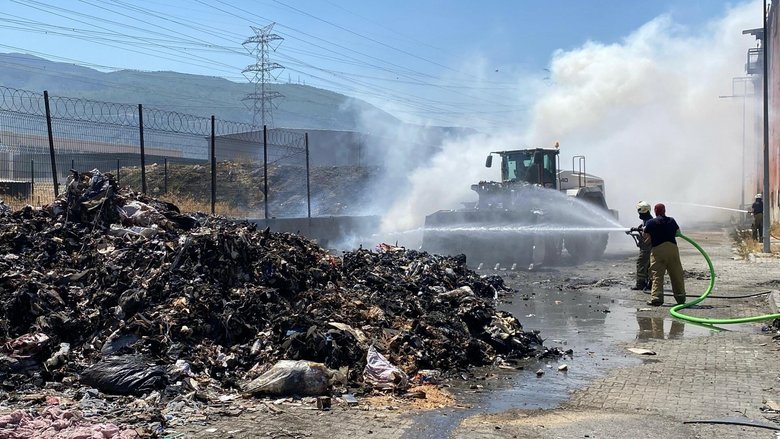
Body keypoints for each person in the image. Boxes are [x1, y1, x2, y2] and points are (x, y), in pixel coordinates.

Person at [642, 203, 685, 306]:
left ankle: (657, 298)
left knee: (657, 275)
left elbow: (646, 240)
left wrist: (643, 232)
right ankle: (681, 299)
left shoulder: (650, 223)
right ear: (665, 211)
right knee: (676, 274)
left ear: (655, 211)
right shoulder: (672, 220)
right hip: (672, 250)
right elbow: (678, 233)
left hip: (658, 251)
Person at [630, 201, 653, 291]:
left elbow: (648, 237)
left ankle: (640, 284)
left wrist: (640, 236)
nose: (638, 214)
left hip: (647, 248)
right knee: (648, 266)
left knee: (641, 264)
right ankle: (650, 283)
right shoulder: (646, 221)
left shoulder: (648, 222)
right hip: (648, 247)